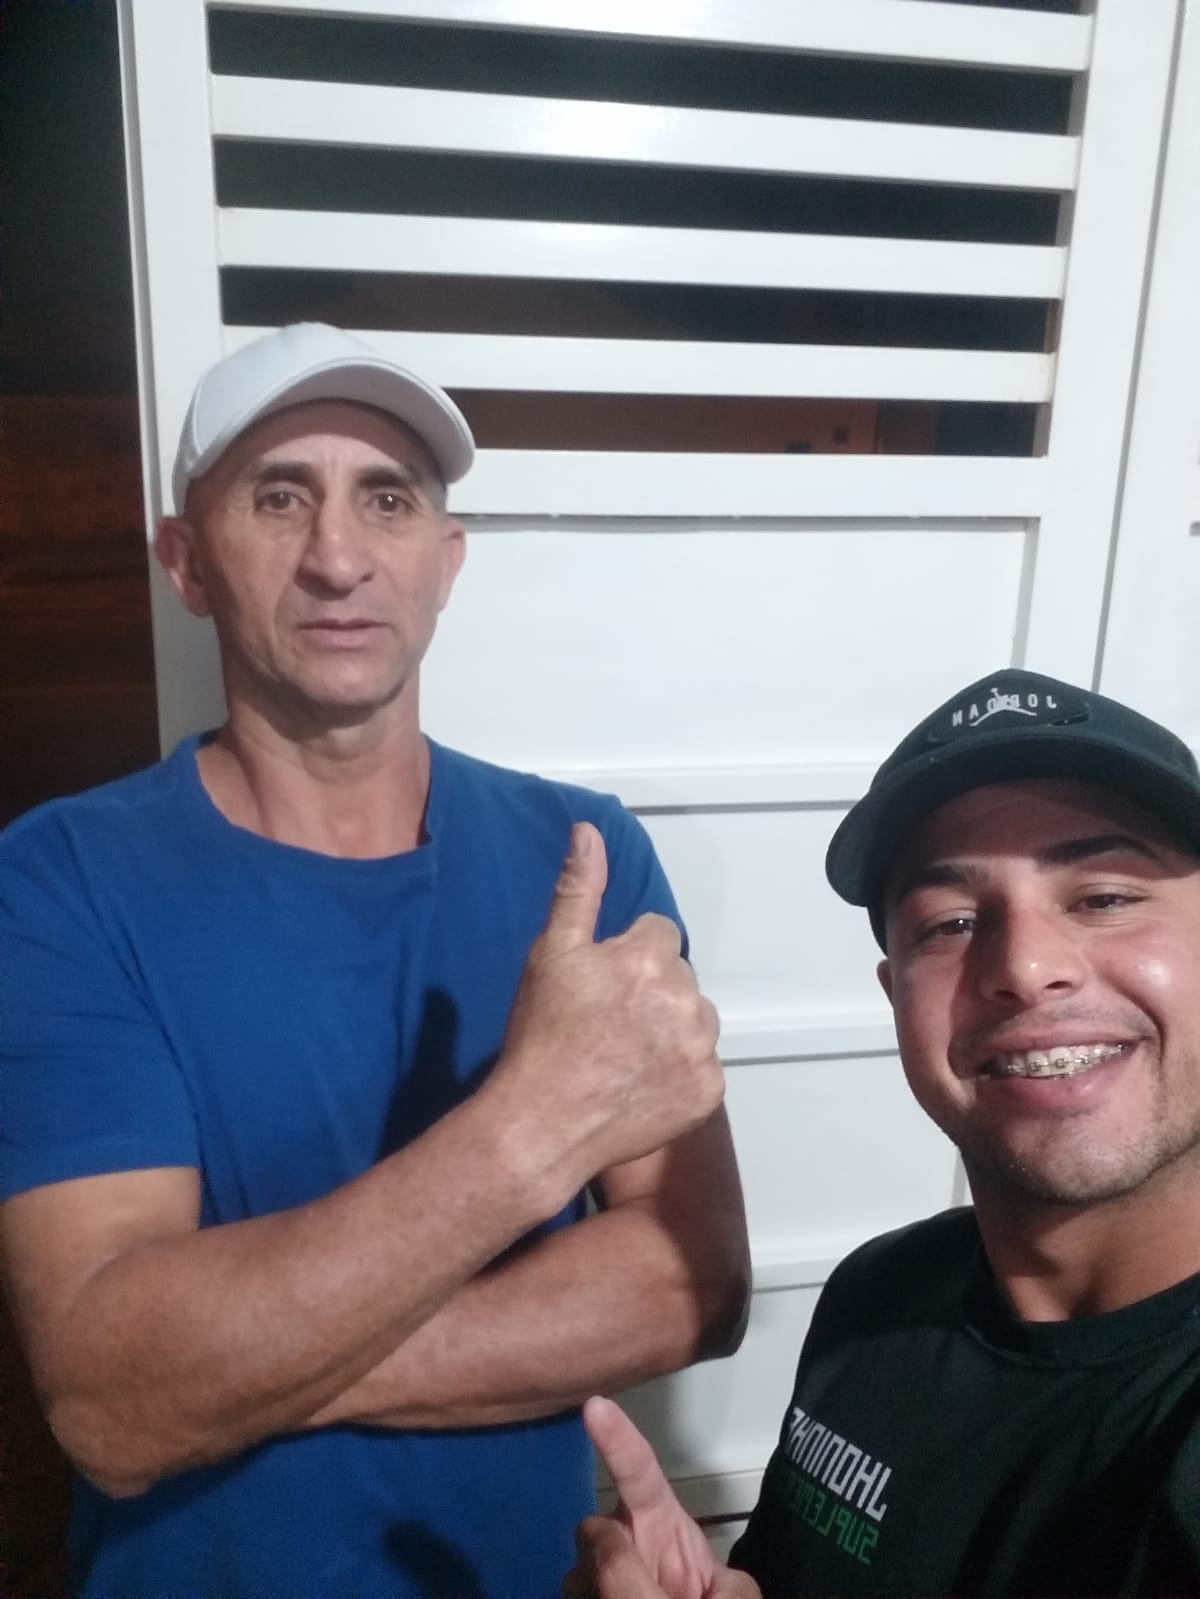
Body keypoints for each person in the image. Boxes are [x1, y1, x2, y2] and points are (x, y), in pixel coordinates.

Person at [0, 322, 751, 1599]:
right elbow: (109, 1393)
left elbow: (693, 1281)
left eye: (387, 499)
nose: (338, 557)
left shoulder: (584, 858)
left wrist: (238, 1379)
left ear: (445, 562)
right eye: (278, 497)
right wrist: (530, 1130)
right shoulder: (59, 882)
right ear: (187, 561)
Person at [569, 668, 1200, 1598]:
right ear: (896, 995)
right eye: (950, 922)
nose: (1026, 967)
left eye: (1103, 896)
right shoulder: (879, 1297)